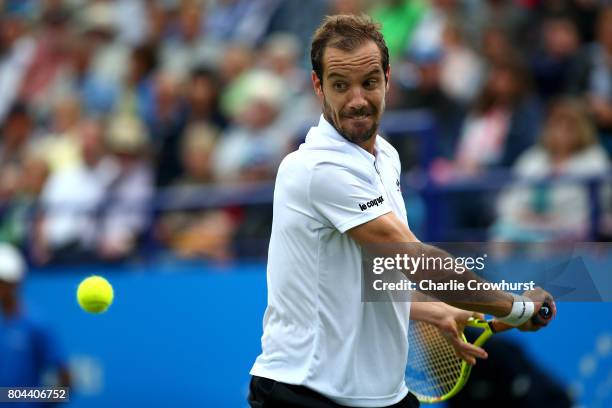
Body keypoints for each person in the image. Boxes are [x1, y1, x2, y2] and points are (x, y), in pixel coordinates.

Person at [249, 14, 555, 408]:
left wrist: (431, 310)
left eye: (369, 82)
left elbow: (362, 276)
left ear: (388, 79)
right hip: (303, 391)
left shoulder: (387, 158)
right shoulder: (315, 169)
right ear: (317, 85)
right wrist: (516, 308)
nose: (357, 100)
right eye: (340, 85)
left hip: (384, 397)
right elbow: (415, 260)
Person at [0, 243, 71, 403]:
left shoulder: (37, 325)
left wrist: (23, 398)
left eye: (0, 281)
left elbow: (66, 383)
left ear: (14, 283)